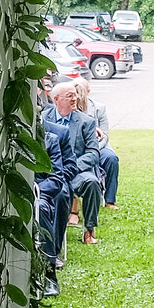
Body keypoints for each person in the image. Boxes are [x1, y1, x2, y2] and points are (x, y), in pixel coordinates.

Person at [43, 80, 108, 246]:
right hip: (50, 172)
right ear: (56, 99)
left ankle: (89, 230)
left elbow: (93, 153)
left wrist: (72, 167)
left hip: (77, 172)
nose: (75, 99)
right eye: (69, 96)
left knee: (92, 183)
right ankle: (49, 233)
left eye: (76, 95)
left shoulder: (86, 122)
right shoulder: (43, 119)